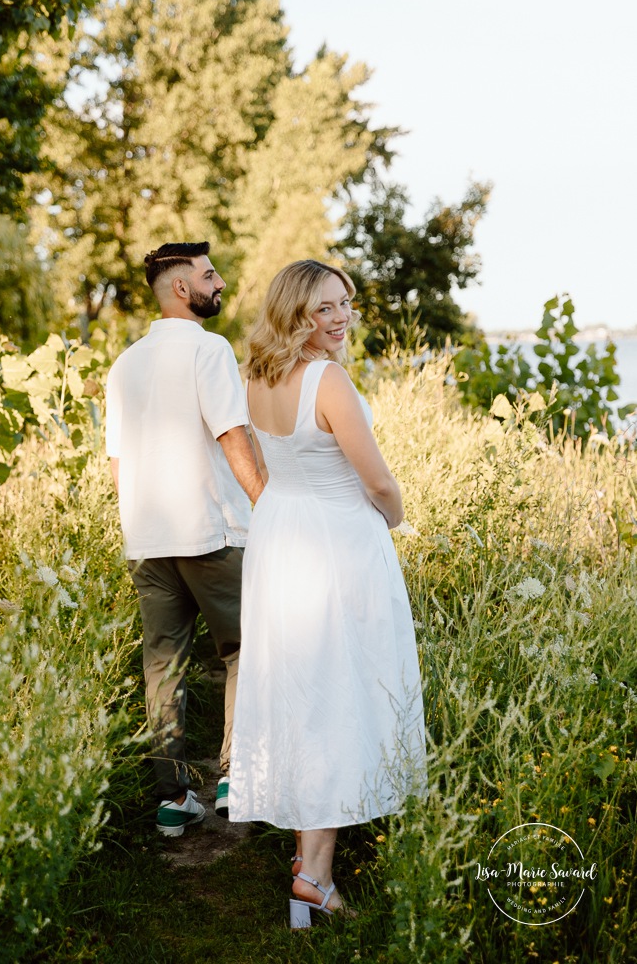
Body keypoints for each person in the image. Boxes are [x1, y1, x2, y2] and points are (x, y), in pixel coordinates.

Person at [228, 259, 427, 926]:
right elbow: (377, 481)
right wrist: (395, 518)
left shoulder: (254, 377)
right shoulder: (329, 380)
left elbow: (260, 462)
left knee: (299, 692)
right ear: (295, 314)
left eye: (344, 302)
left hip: (281, 536)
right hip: (337, 544)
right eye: (323, 308)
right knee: (338, 694)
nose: (340, 318)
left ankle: (306, 865)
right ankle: (313, 878)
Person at [106, 241, 264, 837]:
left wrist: (137, 525)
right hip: (211, 530)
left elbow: (118, 464)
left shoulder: (125, 364)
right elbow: (231, 433)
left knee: (162, 665)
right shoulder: (209, 348)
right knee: (244, 650)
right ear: (180, 287)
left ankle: (172, 798)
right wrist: (267, 505)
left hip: (146, 538)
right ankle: (234, 777)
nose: (219, 282)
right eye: (209, 274)